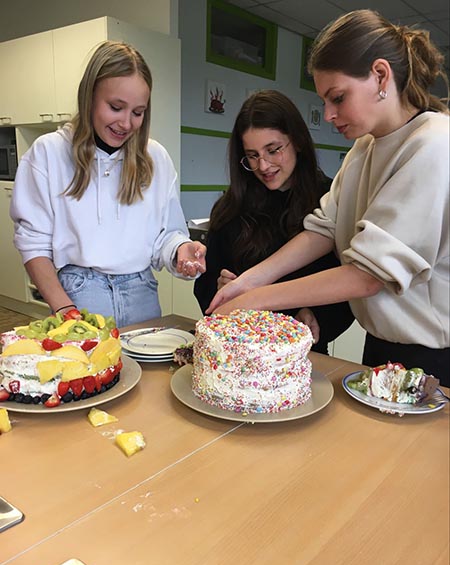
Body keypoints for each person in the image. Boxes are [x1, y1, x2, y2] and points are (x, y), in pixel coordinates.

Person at [207, 10, 450, 386]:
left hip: (432, 358)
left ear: (381, 76)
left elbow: (368, 276)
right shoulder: (365, 147)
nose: (329, 114)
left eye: (337, 97)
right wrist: (249, 282)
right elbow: (322, 229)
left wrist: (255, 301)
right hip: (382, 346)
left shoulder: (433, 145)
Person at [11, 41, 205, 327]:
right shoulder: (48, 153)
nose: (126, 123)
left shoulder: (156, 158)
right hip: (78, 294)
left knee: (146, 374)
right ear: (89, 96)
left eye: (138, 112)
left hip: (142, 294)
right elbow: (34, 244)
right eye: (116, 107)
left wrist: (181, 251)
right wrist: (64, 309)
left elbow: (166, 235)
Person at [194, 90, 354, 354]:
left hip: (303, 359)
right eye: (252, 155)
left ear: (298, 141)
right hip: (240, 356)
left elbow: (347, 286)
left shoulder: (329, 201)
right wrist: (220, 289)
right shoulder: (231, 208)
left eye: (273, 150)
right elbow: (206, 287)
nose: (264, 165)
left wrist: (316, 315)